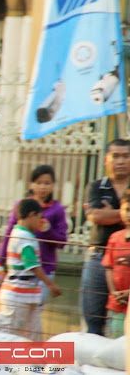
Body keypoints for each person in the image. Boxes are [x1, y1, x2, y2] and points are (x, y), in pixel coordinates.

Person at [0, 165, 68, 303]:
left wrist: (47, 230)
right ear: (31, 184)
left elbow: (62, 241)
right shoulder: (22, 205)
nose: (42, 187)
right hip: (19, 269)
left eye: (47, 183)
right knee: (16, 305)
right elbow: (9, 234)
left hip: (44, 269)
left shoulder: (57, 210)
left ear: (53, 185)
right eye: (39, 183)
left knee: (36, 306)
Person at [0, 198, 62, 341]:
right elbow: (33, 266)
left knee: (32, 335)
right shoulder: (23, 237)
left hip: (28, 294)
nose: (40, 222)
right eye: (39, 217)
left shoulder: (23, 234)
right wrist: (50, 284)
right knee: (8, 336)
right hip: (17, 295)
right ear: (31, 215)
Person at [81, 139, 130, 335]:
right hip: (98, 258)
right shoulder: (96, 186)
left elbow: (103, 216)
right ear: (106, 160)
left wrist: (110, 213)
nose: (120, 161)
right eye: (115, 156)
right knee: (93, 320)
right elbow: (95, 216)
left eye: (126, 156)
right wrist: (124, 213)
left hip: (127, 261)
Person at [101, 188, 130, 338]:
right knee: (113, 342)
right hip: (116, 303)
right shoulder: (114, 238)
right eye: (127, 209)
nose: (129, 214)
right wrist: (114, 292)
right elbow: (109, 267)